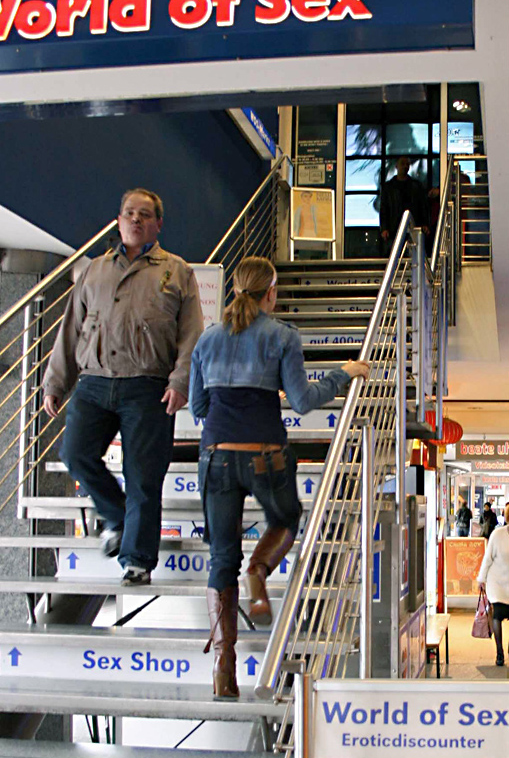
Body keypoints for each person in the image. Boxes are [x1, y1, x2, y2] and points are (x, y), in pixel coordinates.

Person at [189, 256, 369, 700]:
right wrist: (343, 373)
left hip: (216, 456)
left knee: (220, 557)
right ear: (271, 293)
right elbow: (304, 402)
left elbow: (198, 407)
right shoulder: (282, 336)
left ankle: (224, 669)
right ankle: (259, 570)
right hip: (265, 454)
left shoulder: (207, 339)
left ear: (235, 290)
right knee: (286, 518)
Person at [43, 188, 204, 586]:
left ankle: (136, 561)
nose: (136, 219)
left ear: (158, 224)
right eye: (129, 212)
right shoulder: (94, 270)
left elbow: (191, 335)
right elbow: (71, 329)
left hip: (148, 387)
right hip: (94, 383)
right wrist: (56, 382)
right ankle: (116, 516)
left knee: (144, 477)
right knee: (75, 453)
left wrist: (181, 381)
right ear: (118, 220)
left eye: (145, 214)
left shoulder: (177, 272)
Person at [478, 503, 509, 665]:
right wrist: (481, 578)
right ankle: (503, 651)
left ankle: (500, 654)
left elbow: (487, 558)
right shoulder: (497, 534)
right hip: (498, 586)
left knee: (497, 617)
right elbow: (487, 559)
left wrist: (481, 579)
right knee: (499, 615)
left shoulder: (497, 535)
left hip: (497, 586)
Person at [380, 156, 430, 257]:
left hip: (411, 226)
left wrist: (424, 224)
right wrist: (384, 228)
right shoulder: (388, 187)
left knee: (413, 254)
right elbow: (384, 209)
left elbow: (422, 207)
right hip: (394, 228)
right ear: (396, 166)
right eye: (403, 164)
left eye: (407, 164)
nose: (405, 166)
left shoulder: (416, 186)